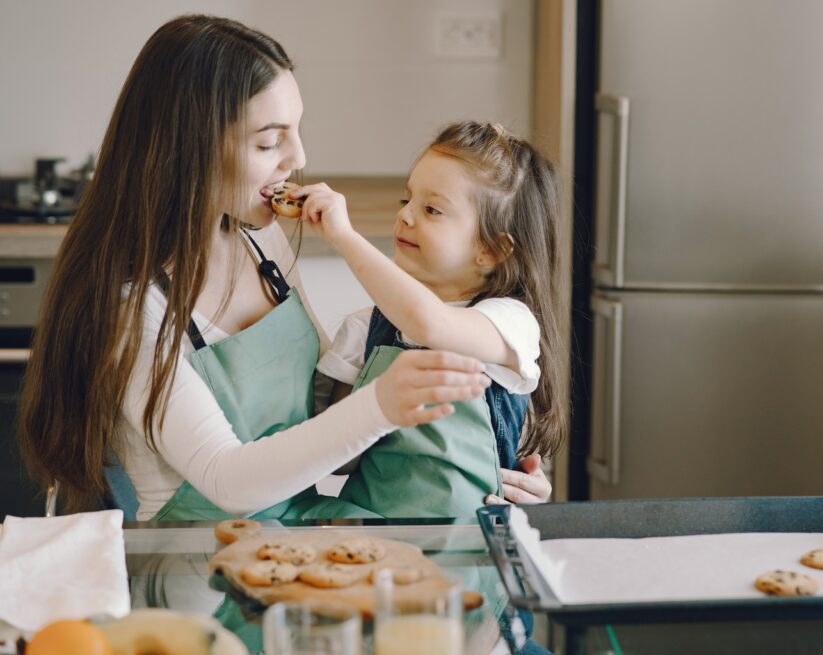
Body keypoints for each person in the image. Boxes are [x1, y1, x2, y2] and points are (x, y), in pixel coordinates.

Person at [16, 14, 550, 521]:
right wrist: (383, 405)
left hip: (297, 550)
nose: (297, 156)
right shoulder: (131, 306)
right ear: (191, 148)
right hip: (198, 571)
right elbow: (227, 480)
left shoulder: (263, 242)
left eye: (295, 131)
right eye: (269, 140)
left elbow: (319, 435)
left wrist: (480, 466)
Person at [286, 121, 567, 518]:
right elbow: (338, 461)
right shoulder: (364, 330)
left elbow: (430, 326)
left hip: (471, 547)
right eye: (407, 200)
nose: (406, 217)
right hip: (377, 543)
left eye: (432, 209)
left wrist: (344, 237)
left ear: (491, 249)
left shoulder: (509, 322)